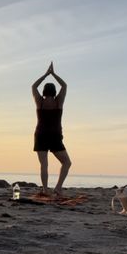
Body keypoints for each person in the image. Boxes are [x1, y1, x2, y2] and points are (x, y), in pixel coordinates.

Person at [31, 62, 71, 198]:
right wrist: (53, 74)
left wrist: (45, 74)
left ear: (44, 92)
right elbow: (64, 85)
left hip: (41, 135)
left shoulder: (39, 102)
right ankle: (58, 188)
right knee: (66, 162)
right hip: (54, 136)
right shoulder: (58, 102)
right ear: (54, 92)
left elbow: (33, 86)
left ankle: (45, 190)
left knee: (44, 165)